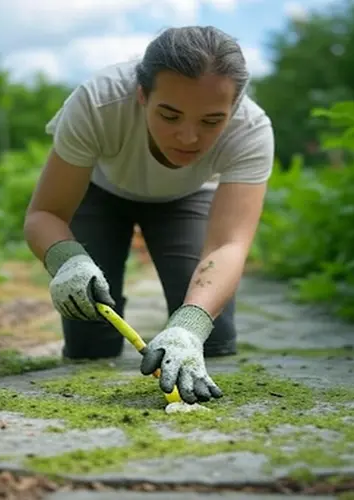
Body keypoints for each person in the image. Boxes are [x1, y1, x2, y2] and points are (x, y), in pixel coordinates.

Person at [23, 25, 275, 405]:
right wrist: (67, 261)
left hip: (187, 198)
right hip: (100, 192)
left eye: (211, 121)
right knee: (90, 343)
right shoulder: (97, 101)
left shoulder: (251, 130)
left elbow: (229, 244)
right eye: (170, 115)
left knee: (214, 337)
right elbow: (43, 213)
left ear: (235, 107)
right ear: (142, 95)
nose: (188, 137)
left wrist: (189, 328)